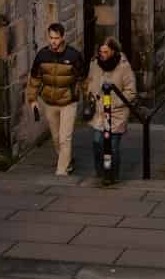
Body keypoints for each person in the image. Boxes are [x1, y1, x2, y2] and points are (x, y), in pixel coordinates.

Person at [26, 22, 85, 175]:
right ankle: (67, 161)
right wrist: (32, 100)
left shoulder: (73, 55)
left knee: (65, 137)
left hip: (68, 102)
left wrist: (85, 97)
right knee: (56, 137)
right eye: (51, 38)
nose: (53, 41)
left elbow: (83, 79)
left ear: (63, 37)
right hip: (49, 103)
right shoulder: (42, 55)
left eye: (56, 38)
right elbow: (34, 79)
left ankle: (61, 171)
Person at [85, 36, 137, 184]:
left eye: (106, 51)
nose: (103, 54)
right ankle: (100, 173)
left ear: (113, 51)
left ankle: (112, 176)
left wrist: (114, 103)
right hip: (99, 112)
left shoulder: (123, 66)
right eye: (101, 51)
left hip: (116, 113)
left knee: (112, 147)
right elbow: (90, 81)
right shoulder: (95, 63)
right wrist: (90, 95)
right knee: (97, 142)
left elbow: (131, 91)